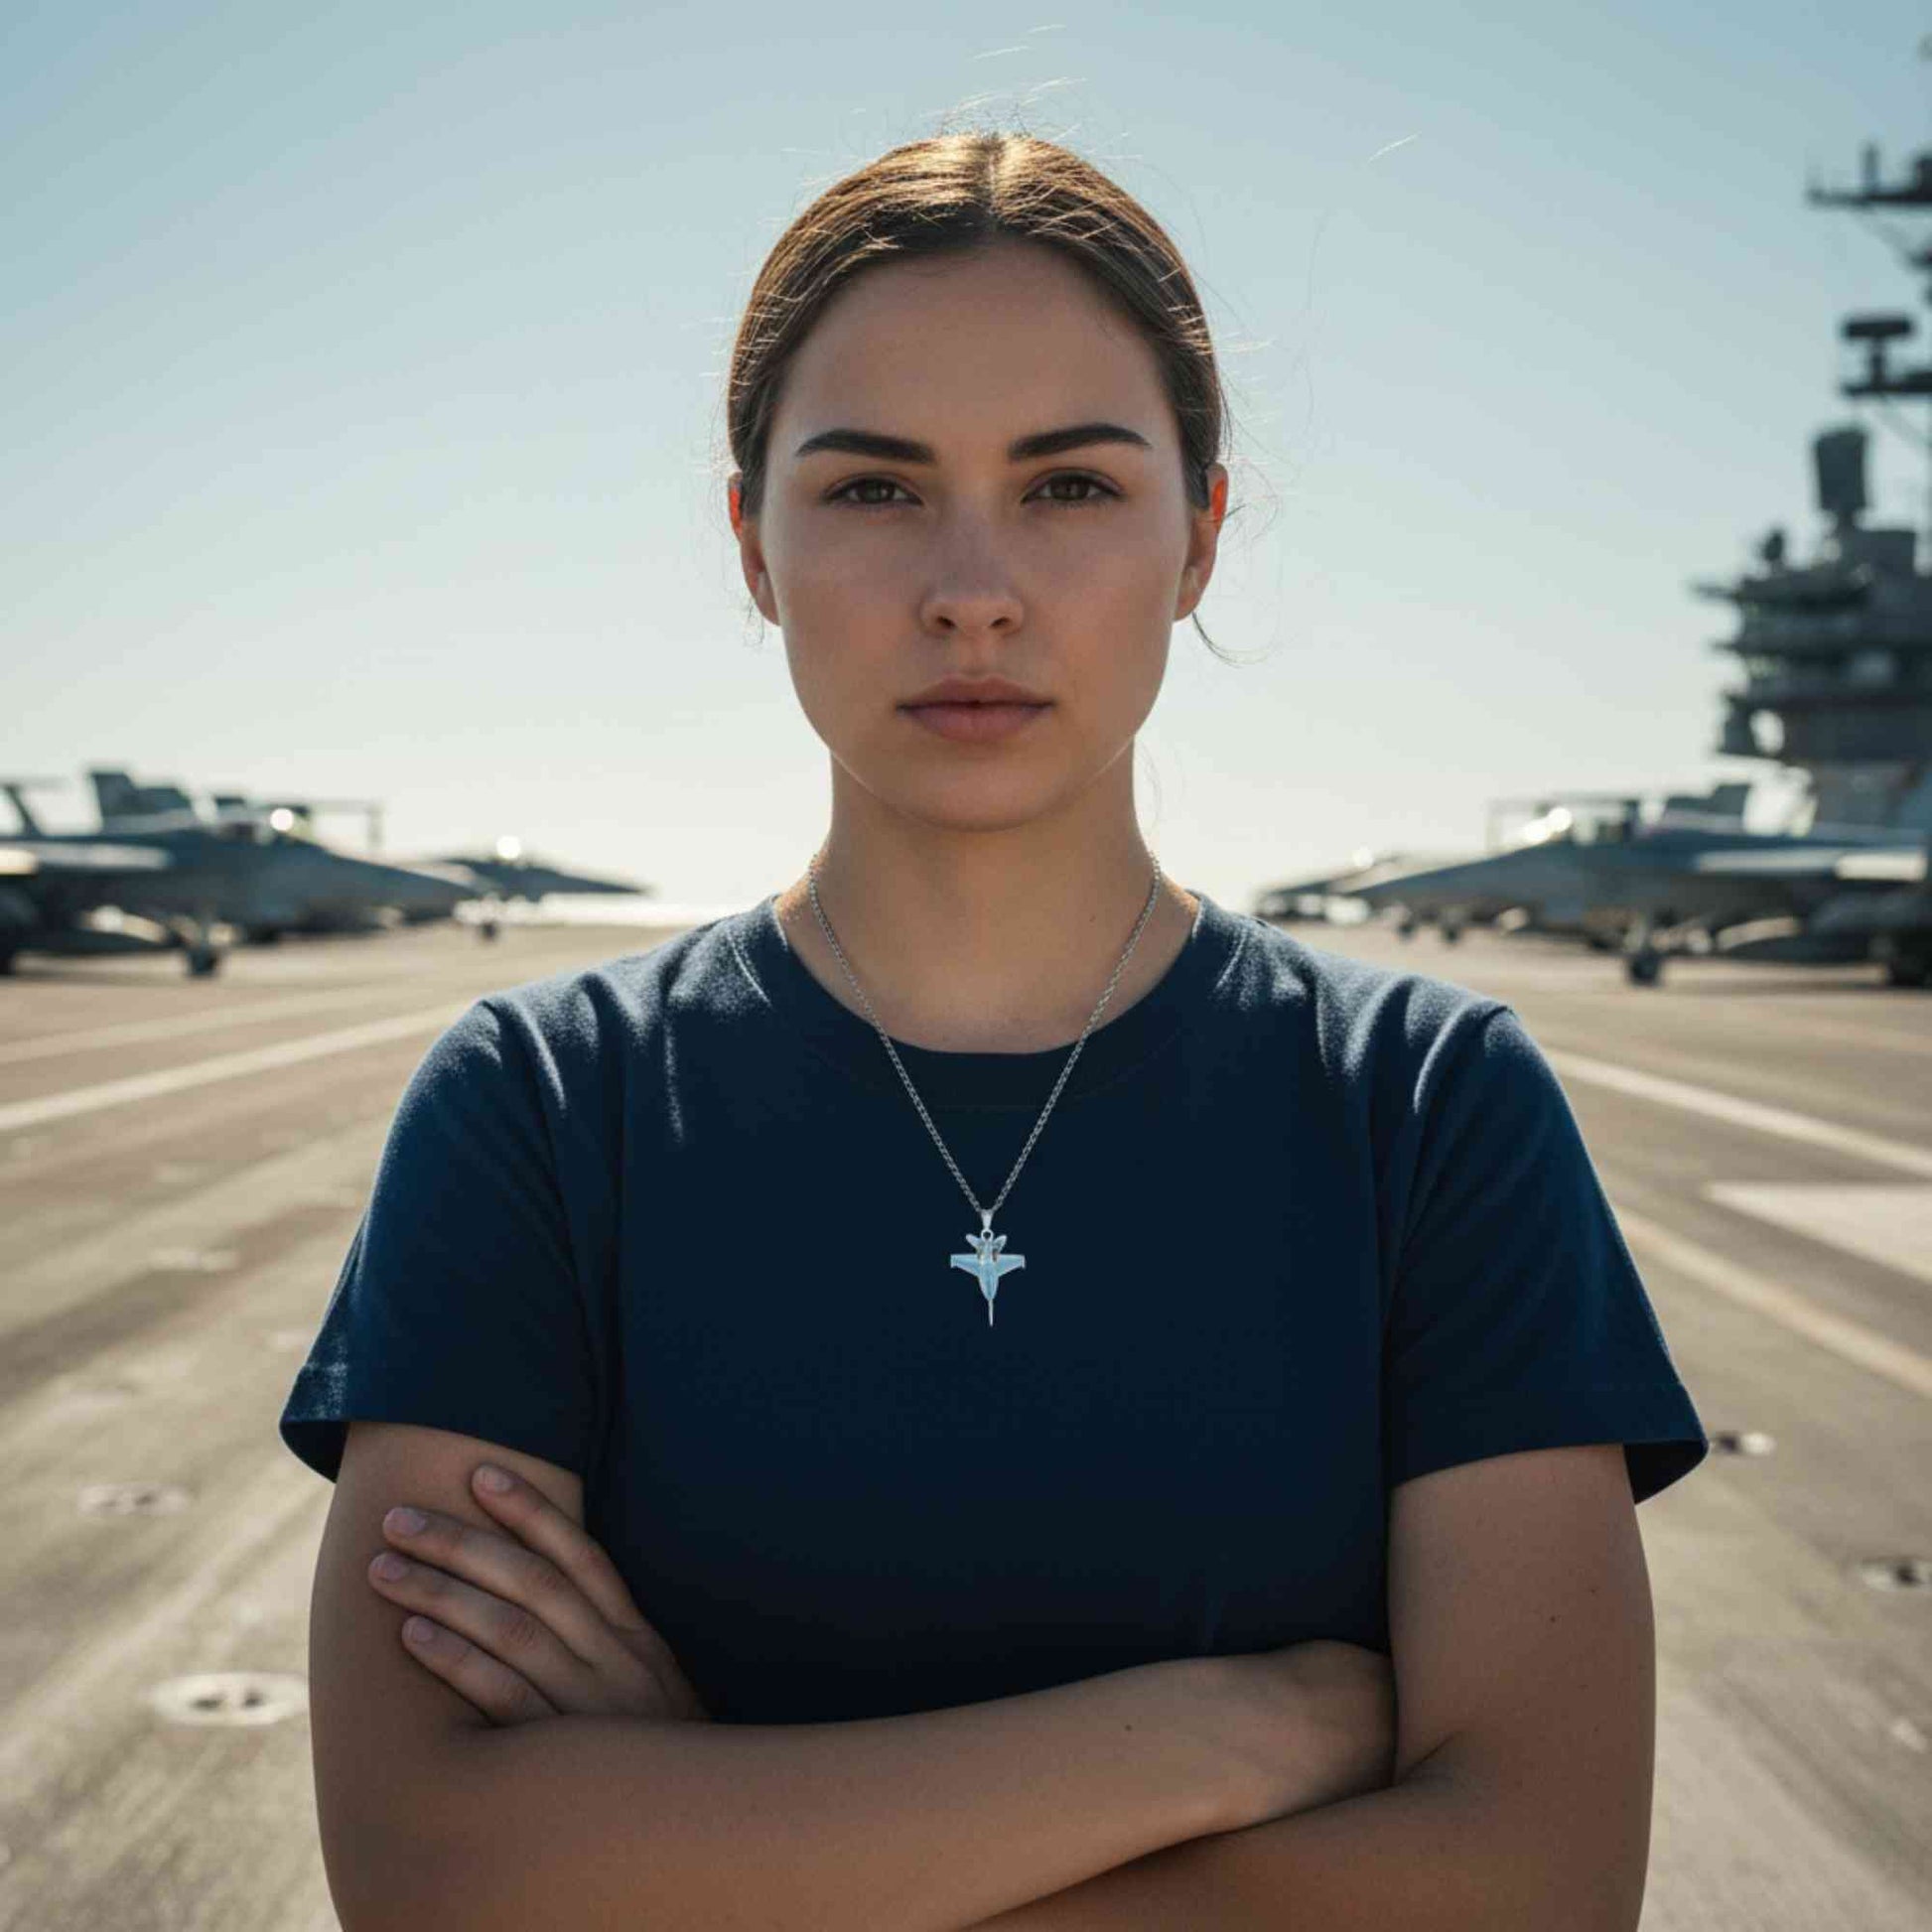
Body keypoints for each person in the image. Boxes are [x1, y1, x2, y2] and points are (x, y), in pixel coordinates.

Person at [280, 130, 1707, 1932]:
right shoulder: (540, 1107)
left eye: (1069, 488)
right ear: (751, 541)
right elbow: (432, 1879)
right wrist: (1214, 1734)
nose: (972, 586)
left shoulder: (1427, 1106)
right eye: (874, 489)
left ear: (1199, 531)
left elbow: (1535, 1884)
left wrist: (714, 1840)